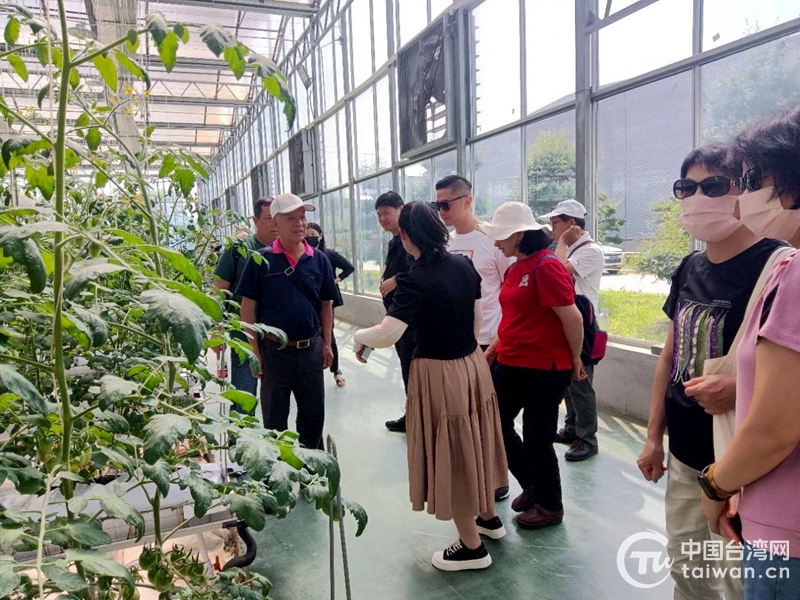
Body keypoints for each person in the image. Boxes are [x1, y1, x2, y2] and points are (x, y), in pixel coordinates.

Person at [637, 143, 786, 600]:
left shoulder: (779, 267)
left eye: (715, 185)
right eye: (687, 187)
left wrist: (739, 387)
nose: (698, 198)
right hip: (686, 455)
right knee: (688, 569)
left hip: (746, 465)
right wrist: (653, 437)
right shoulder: (689, 267)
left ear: (747, 190)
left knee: (738, 581)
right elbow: (670, 356)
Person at [353, 201, 508, 572]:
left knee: (453, 453)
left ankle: (472, 548)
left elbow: (388, 333)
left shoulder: (415, 279)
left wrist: (358, 337)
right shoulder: (464, 265)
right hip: (471, 365)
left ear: (406, 235)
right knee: (476, 440)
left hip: (439, 373)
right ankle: (488, 518)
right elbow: (477, 319)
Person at [701, 106, 800, 598]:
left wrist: (717, 484)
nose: (743, 198)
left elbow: (775, 428)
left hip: (787, 528)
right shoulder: (787, 264)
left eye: (751, 180)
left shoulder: (796, 275)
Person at [480, 202, 586, 530]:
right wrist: (494, 348)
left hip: (544, 368)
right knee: (496, 424)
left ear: (519, 235)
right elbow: (513, 317)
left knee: (537, 438)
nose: (496, 242)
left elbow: (572, 318)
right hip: (510, 361)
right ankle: (533, 485)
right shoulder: (515, 269)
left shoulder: (546, 266)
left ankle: (551, 505)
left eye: (501, 236)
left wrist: (576, 359)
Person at [434, 174, 515, 501]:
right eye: (437, 206)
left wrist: (497, 343)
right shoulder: (445, 243)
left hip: (490, 344)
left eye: (446, 204)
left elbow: (512, 295)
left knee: (490, 416)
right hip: (457, 346)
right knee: (463, 415)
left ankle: (497, 478)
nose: (442, 212)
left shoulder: (492, 241)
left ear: (467, 201)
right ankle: (473, 475)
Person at [236, 193, 338, 450]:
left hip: (310, 351)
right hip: (274, 353)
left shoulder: (320, 260)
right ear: (275, 223)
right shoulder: (260, 260)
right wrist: (254, 351)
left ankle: (312, 470)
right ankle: (277, 470)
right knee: (274, 422)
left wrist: (327, 343)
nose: (299, 223)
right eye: (291, 218)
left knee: (313, 420)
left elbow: (326, 304)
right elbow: (247, 309)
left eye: (302, 217)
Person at [541, 199, 605, 462]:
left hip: (583, 322)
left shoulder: (590, 251)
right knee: (567, 380)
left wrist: (564, 242)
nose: (552, 228)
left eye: (555, 222)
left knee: (580, 382)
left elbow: (555, 272)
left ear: (572, 223)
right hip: (566, 319)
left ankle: (587, 438)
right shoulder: (571, 248)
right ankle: (572, 428)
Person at [212, 197, 278, 402]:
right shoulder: (239, 249)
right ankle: (239, 424)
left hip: (277, 338)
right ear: (255, 220)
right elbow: (219, 288)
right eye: (269, 218)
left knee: (276, 398)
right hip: (244, 337)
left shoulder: (287, 250)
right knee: (244, 394)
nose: (275, 223)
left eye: (279, 217)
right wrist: (216, 327)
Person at [375, 191, 415, 433]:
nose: (382, 219)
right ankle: (412, 413)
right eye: (379, 214)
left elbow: (422, 271)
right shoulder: (394, 242)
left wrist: (397, 279)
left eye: (387, 213)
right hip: (396, 317)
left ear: (401, 209)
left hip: (409, 320)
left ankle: (417, 417)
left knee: (412, 368)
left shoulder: (412, 239)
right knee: (406, 367)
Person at [305, 222, 355, 388]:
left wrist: (335, 281)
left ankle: (336, 370)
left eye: (313, 234)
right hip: (310, 300)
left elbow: (349, 267)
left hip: (327, 300)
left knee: (329, 334)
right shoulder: (302, 256)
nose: (310, 237)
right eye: (307, 235)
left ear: (320, 236)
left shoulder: (328, 255)